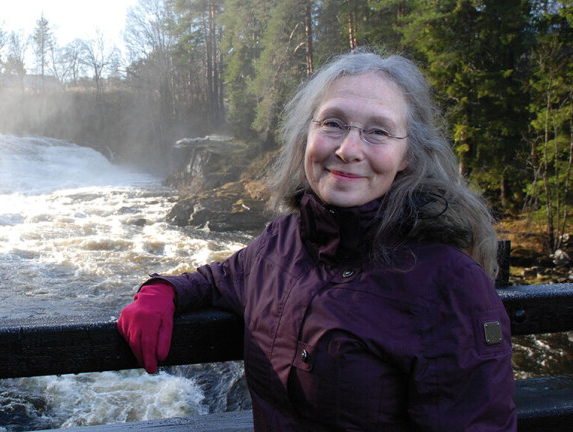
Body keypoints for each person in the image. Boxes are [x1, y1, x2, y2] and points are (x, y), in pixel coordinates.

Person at [117, 50, 516, 431]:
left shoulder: (450, 284)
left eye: (378, 131)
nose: (347, 149)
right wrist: (160, 292)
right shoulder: (283, 241)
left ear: (408, 154)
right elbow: (220, 278)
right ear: (307, 133)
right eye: (333, 123)